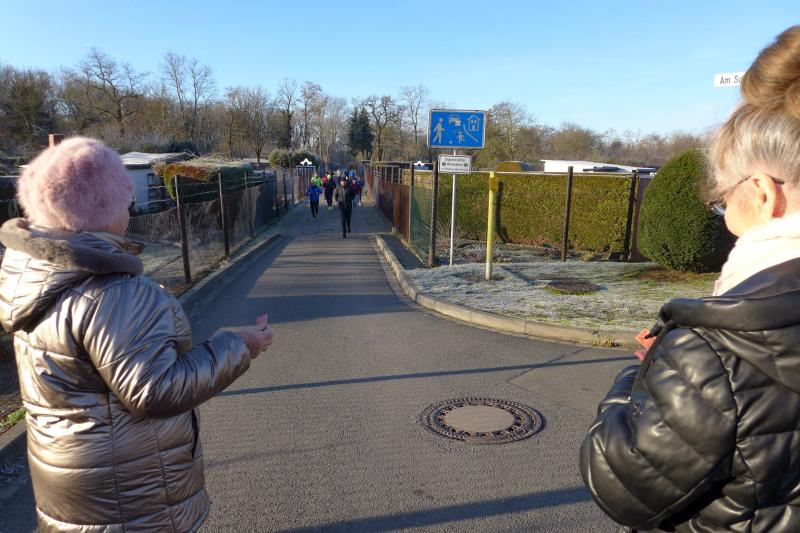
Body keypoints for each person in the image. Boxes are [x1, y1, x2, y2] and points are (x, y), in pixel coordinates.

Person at [580, 26, 800, 532]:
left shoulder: (714, 350)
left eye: (723, 199)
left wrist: (642, 373)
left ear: (763, 193)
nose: (724, 215)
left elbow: (619, 482)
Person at [0, 137, 275, 532]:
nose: (129, 206)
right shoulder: (114, 293)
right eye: (123, 198)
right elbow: (155, 390)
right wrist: (238, 346)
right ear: (104, 207)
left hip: (68, 483)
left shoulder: (36, 279)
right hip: (130, 494)